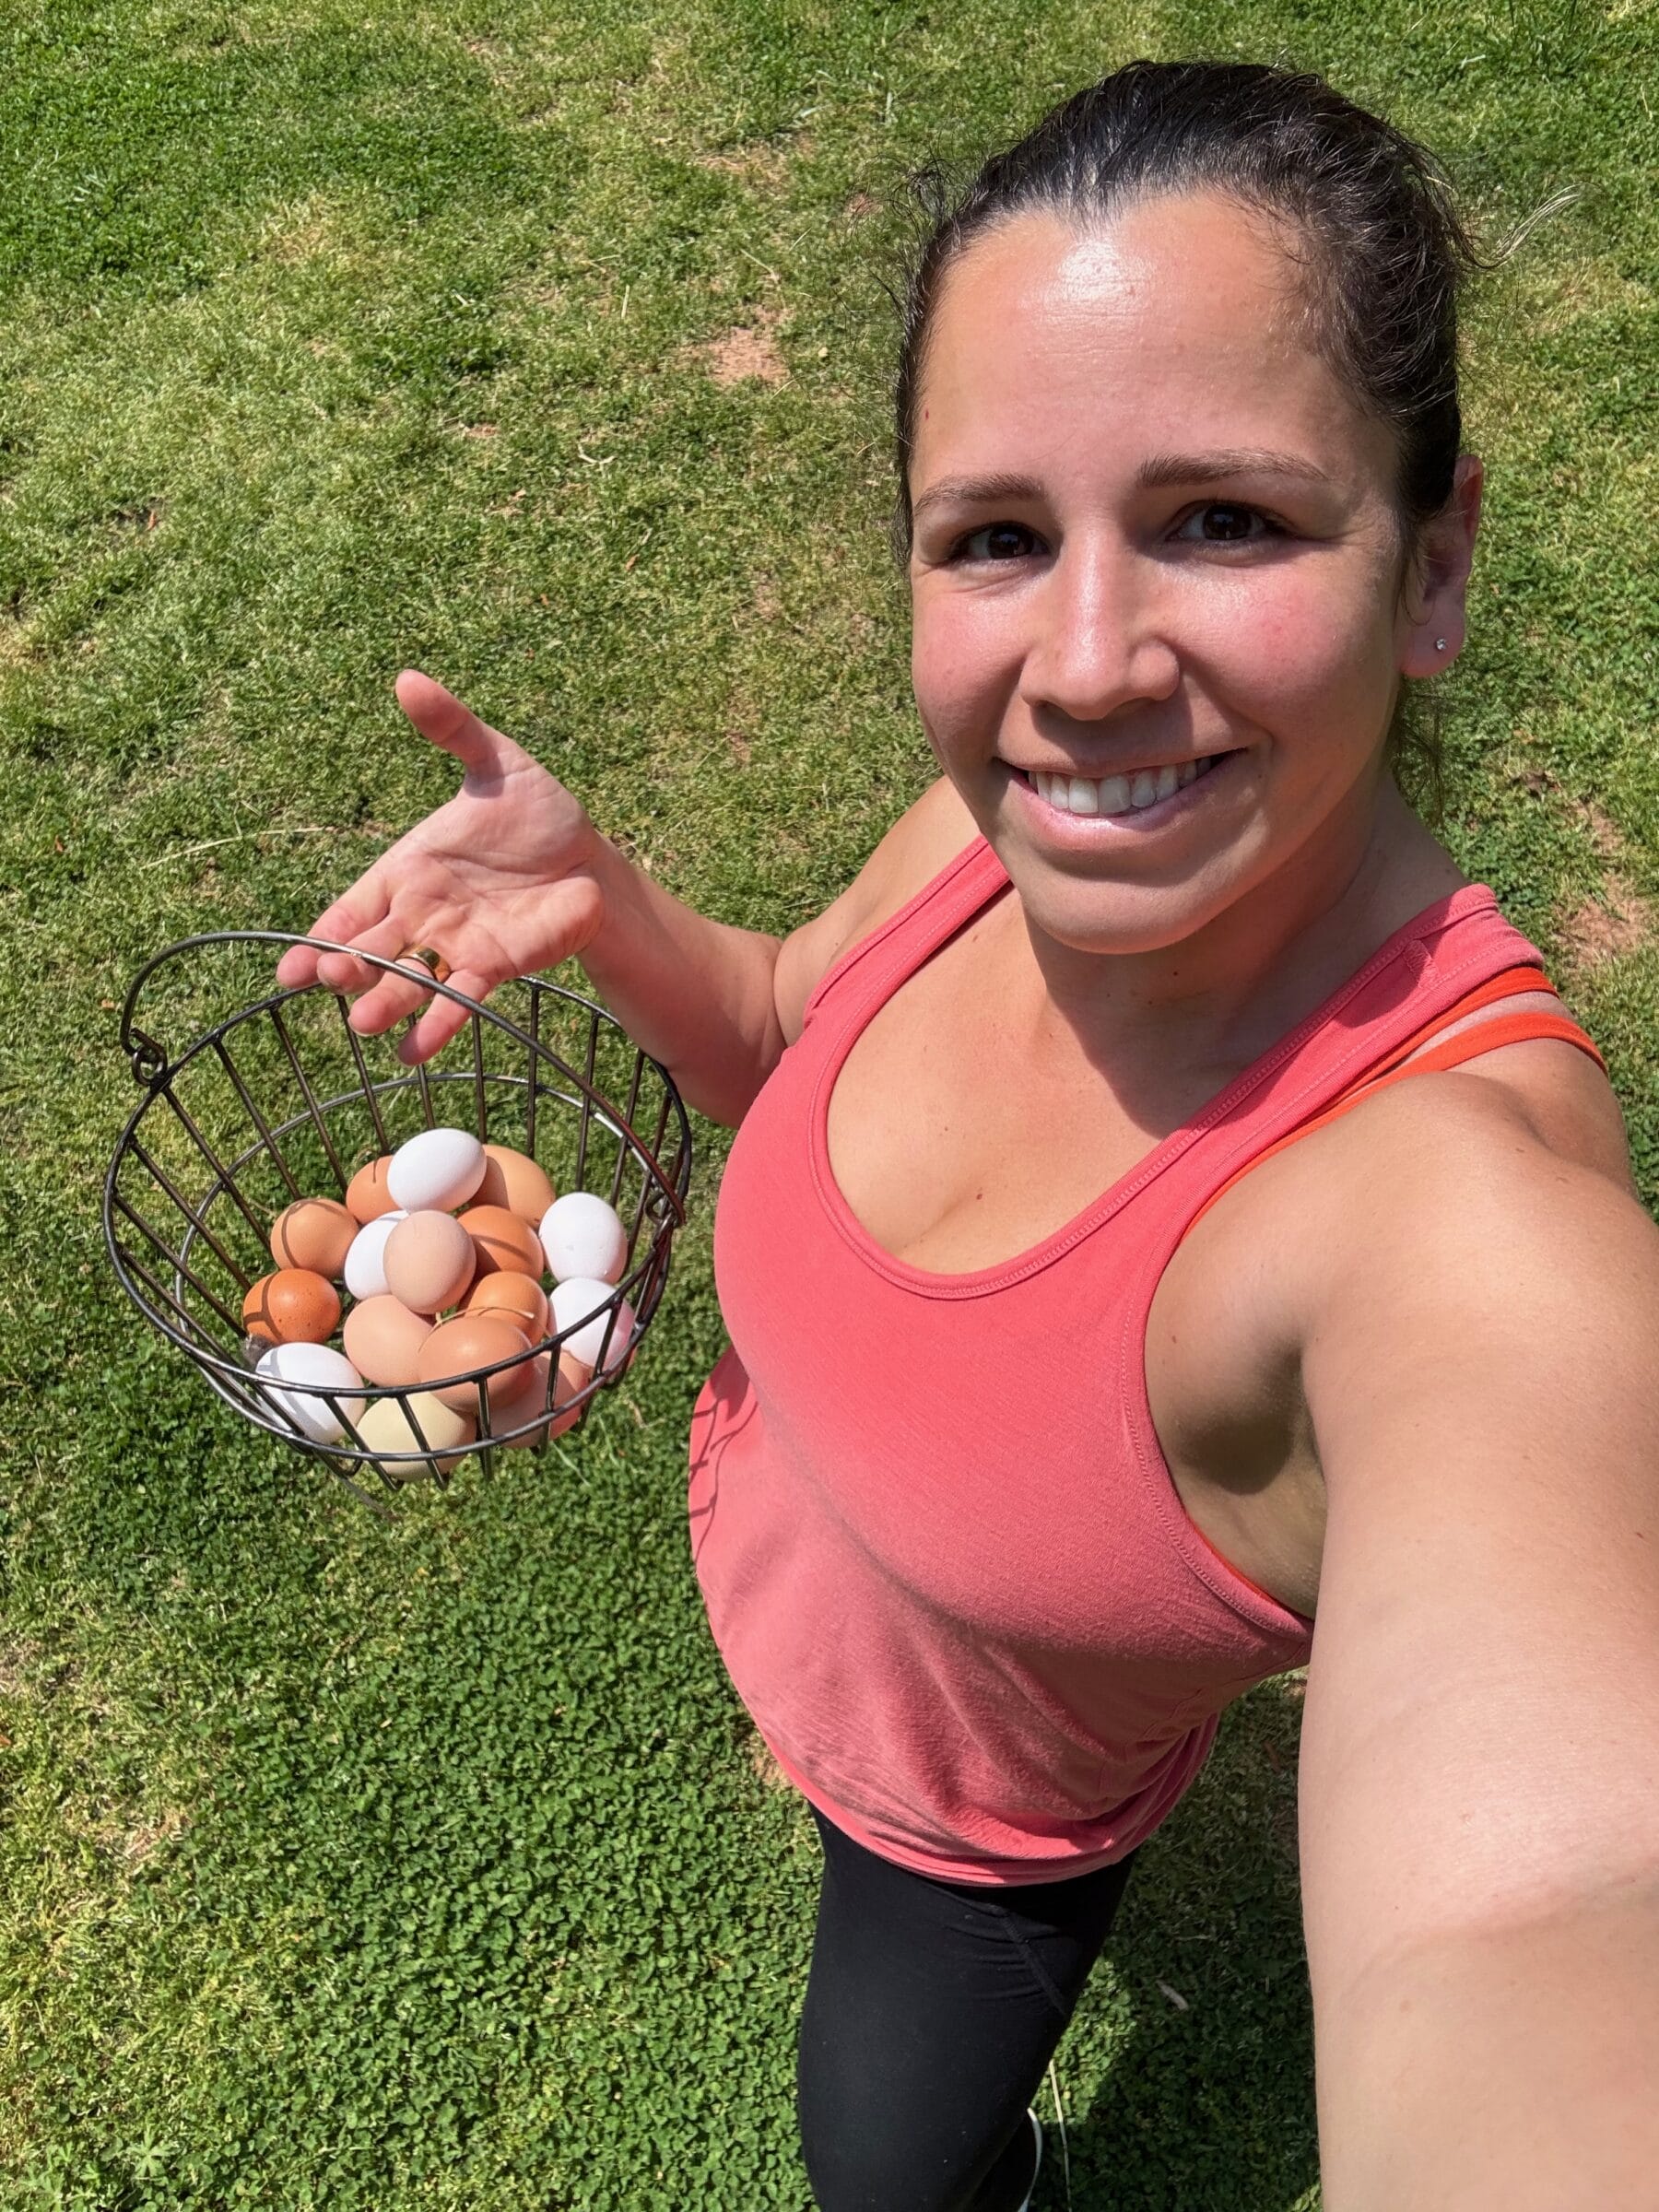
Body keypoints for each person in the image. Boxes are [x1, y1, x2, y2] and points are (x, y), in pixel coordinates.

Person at [276, 60, 1659, 2212]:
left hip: (975, 1833)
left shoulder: (1459, 1217)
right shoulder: (994, 836)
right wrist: (610, 906)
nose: (1087, 664)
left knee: (886, 2177)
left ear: (1437, 560)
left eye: (1226, 517)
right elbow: (781, 1028)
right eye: (1001, 538)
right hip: (825, 1624)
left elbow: (1542, 1925)